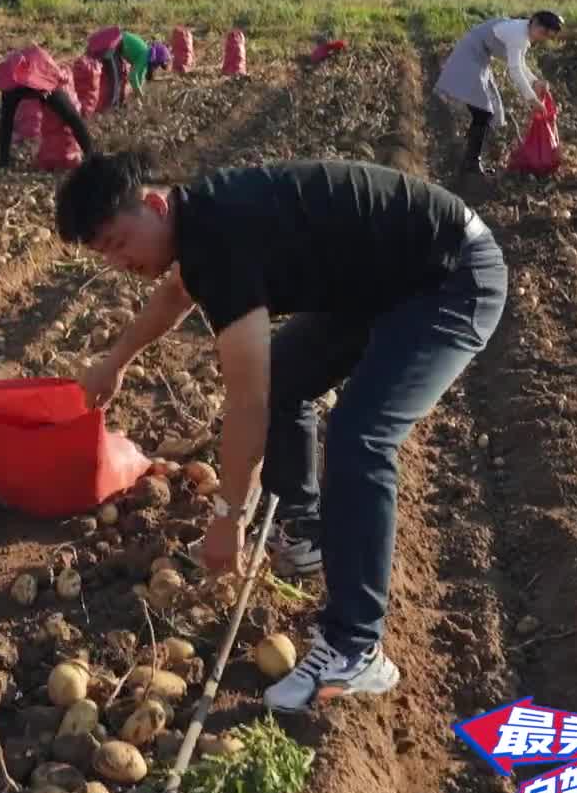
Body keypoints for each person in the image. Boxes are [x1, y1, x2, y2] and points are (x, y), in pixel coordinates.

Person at [56, 152, 506, 712]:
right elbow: (176, 294)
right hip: (381, 282)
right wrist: (116, 361)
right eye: (107, 255)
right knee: (291, 374)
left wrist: (230, 516)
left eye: (120, 243)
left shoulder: (221, 237)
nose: (121, 262)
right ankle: (307, 534)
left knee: (360, 436)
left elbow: (248, 399)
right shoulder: (196, 222)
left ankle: (355, 647)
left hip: (451, 276)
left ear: (152, 205)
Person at [434, 10, 564, 184]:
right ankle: (471, 163)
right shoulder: (519, 36)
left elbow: (519, 64)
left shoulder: (522, 32)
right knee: (483, 112)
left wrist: (535, 82)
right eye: (543, 32)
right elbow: (515, 70)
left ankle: (470, 160)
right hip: (471, 57)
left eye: (547, 36)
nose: (542, 38)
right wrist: (532, 99)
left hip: (479, 58)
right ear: (534, 23)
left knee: (485, 112)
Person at [0, 44, 93, 168]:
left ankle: (91, 156)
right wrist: (3, 161)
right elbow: (6, 124)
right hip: (17, 85)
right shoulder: (10, 82)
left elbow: (74, 120)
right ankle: (3, 162)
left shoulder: (44, 71)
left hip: (42, 80)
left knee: (71, 117)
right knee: (6, 120)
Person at [85, 27, 167, 109]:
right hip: (112, 45)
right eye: (158, 65)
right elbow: (132, 76)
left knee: (119, 75)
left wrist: (138, 99)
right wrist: (141, 96)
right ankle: (113, 107)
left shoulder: (146, 55)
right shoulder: (145, 56)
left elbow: (140, 77)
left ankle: (116, 104)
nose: (156, 68)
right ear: (155, 60)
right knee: (116, 77)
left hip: (116, 47)